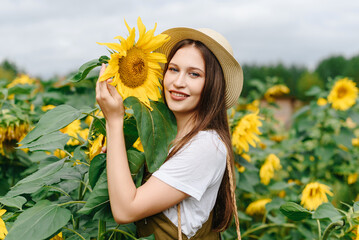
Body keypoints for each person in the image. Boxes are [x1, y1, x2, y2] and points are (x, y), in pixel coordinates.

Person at [96, 27, 243, 239]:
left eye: (194, 74)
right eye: (173, 69)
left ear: (213, 84)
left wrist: (114, 120)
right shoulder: (162, 137)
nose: (178, 82)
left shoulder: (207, 146)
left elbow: (126, 210)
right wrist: (120, 156)